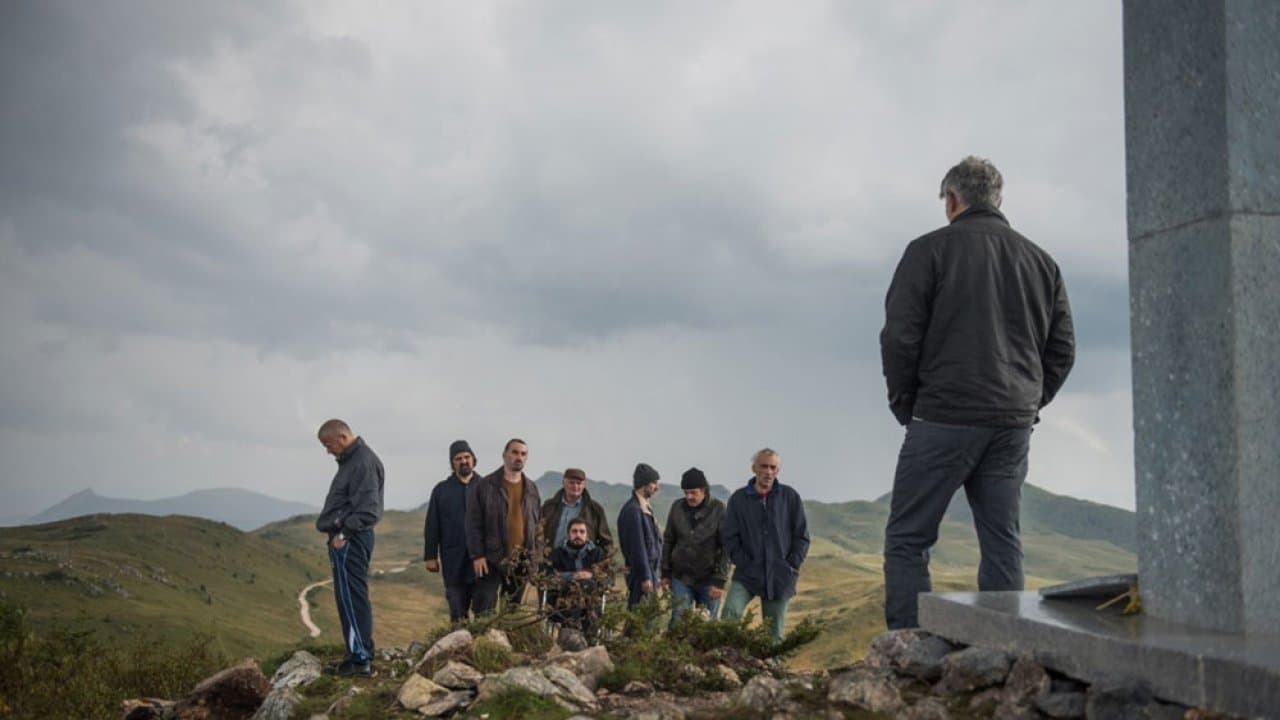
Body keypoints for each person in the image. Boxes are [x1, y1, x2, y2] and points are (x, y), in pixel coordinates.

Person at [879, 156, 1075, 630]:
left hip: (943, 416)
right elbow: (1063, 349)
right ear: (998, 200)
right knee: (1002, 539)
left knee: (908, 538)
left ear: (952, 200)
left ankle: (909, 645)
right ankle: (1006, 646)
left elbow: (900, 336)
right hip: (1011, 424)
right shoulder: (1041, 261)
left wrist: (907, 405)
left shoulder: (928, 251)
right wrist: (1028, 401)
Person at [315, 418, 385, 677]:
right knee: (349, 597)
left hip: (351, 539)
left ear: (342, 437)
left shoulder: (362, 463)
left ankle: (360, 659)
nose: (327, 451)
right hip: (349, 538)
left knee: (352, 597)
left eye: (328, 444)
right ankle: (356, 653)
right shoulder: (353, 461)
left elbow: (369, 510)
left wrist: (343, 534)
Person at [721, 448, 809, 643]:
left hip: (779, 576)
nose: (768, 472)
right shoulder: (738, 499)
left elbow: (802, 536)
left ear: (778, 470)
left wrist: (791, 565)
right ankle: (725, 657)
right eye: (764, 466)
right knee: (729, 615)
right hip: (747, 573)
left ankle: (772, 663)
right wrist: (744, 562)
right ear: (754, 468)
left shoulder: (790, 497)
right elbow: (729, 537)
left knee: (773, 634)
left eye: (773, 467)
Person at [465, 438, 541, 613]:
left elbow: (538, 526)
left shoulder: (531, 489)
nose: (519, 457)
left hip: (521, 560)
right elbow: (473, 523)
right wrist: (477, 555)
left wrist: (535, 558)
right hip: (491, 558)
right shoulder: (486, 485)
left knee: (512, 612)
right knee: (484, 609)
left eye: (523, 454)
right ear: (504, 455)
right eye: (514, 452)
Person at [660, 467, 729, 624]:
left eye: (693, 492)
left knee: (706, 624)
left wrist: (720, 581)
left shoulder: (718, 509)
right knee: (678, 622)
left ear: (704, 490)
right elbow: (669, 540)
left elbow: (726, 547)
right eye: (686, 493)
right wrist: (665, 572)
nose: (689, 497)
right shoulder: (677, 507)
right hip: (681, 577)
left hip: (709, 579)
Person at [423, 440, 480, 622]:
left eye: (467, 457)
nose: (463, 461)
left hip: (482, 561)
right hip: (453, 561)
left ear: (473, 459)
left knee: (484, 612)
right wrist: (430, 556)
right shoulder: (441, 490)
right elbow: (432, 524)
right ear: (452, 463)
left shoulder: (486, 486)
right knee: (457, 612)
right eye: (458, 458)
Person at [546, 517, 607, 633]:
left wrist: (592, 575)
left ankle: (580, 635)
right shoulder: (557, 554)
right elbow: (548, 576)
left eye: (582, 532)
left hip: (591, 604)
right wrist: (571, 576)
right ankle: (574, 634)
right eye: (574, 531)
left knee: (587, 584)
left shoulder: (597, 554)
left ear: (587, 535)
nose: (578, 535)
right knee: (579, 585)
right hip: (563, 604)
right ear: (568, 534)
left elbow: (608, 578)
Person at [616, 463, 663, 608]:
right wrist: (645, 577)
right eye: (654, 483)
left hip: (649, 572)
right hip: (640, 575)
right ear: (644, 484)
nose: (657, 487)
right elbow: (637, 547)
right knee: (639, 615)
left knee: (647, 615)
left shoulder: (643, 508)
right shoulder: (633, 511)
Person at [540, 467, 613, 554]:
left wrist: (596, 558)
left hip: (583, 561)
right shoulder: (549, 507)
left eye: (579, 483)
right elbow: (538, 534)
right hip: (551, 560)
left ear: (584, 485)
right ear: (564, 483)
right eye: (571, 483)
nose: (575, 486)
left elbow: (607, 543)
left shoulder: (595, 510)